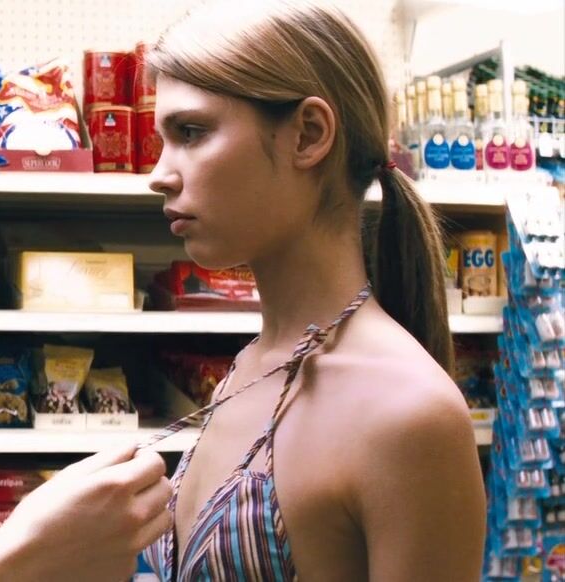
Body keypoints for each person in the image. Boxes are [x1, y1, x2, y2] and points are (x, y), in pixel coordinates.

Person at [135, 1, 486, 579]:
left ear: (309, 135)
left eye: (191, 132)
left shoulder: (408, 414)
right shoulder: (251, 367)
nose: (159, 174)